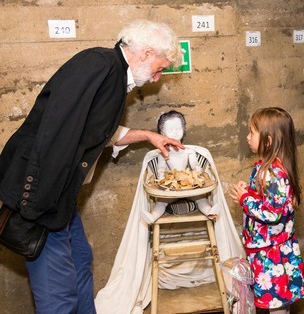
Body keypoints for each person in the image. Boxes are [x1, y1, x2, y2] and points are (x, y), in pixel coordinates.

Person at [0, 19, 184, 314]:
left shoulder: (112, 75)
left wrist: (148, 135)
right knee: (58, 294)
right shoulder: (98, 65)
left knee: (81, 260)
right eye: (160, 68)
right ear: (146, 53)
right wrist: (37, 207)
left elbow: (95, 131)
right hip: (45, 196)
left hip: (60, 194)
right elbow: (56, 133)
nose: (157, 78)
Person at [230, 107, 304, 314]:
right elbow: (271, 201)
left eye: (251, 132)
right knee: (277, 300)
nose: (247, 137)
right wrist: (251, 193)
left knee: (276, 303)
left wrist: (244, 199)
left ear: (269, 140)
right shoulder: (266, 168)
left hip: (272, 254)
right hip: (269, 249)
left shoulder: (272, 172)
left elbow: (273, 214)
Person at [141, 110, 219, 224]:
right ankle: (152, 217)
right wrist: (162, 179)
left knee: (201, 198)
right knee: (161, 202)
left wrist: (197, 172)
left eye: (179, 128)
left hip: (188, 186)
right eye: (171, 130)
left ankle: (210, 211)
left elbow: (195, 166)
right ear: (162, 134)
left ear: (184, 129)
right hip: (171, 188)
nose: (176, 133)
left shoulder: (189, 152)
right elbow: (161, 169)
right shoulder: (163, 153)